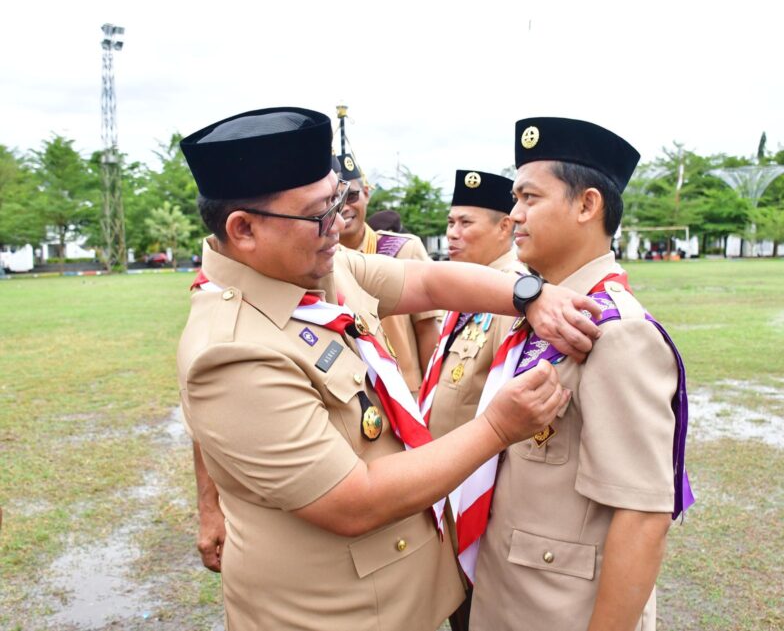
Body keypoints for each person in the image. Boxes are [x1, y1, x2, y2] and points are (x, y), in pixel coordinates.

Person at [176, 106, 603, 631]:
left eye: (338, 199)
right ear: (242, 230)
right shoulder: (231, 353)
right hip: (338, 614)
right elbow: (354, 502)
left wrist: (528, 293)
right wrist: (496, 426)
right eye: (318, 214)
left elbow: (424, 283)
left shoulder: (308, 267)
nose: (339, 224)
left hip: (403, 592)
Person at [468, 117, 694, 631]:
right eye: (515, 199)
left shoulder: (617, 333)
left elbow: (642, 516)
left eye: (529, 198)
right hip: (509, 595)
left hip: (560, 612)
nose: (515, 215)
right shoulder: (545, 309)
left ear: (587, 205)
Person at [418, 169, 525, 631]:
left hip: (478, 502)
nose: (452, 235)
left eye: (466, 224)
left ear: (505, 228)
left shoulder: (517, 296)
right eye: (449, 223)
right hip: (446, 489)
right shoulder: (466, 290)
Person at [337, 153, 439, 395]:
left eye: (351, 196)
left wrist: (428, 398)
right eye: (335, 198)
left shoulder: (402, 249)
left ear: (367, 194)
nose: (344, 206)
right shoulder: (319, 262)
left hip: (406, 391)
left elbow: (426, 329)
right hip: (352, 396)